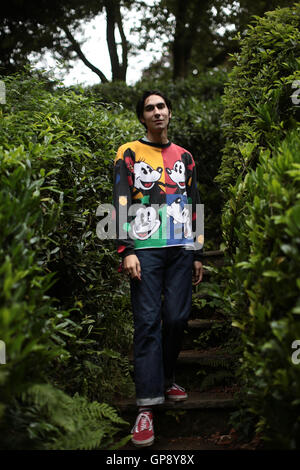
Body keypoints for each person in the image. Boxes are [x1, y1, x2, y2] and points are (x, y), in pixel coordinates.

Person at [113, 90, 203, 447]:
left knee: (178, 317)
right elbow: (120, 198)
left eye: (161, 106)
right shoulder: (129, 153)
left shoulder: (185, 156)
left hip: (181, 249)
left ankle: (166, 378)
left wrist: (197, 252)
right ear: (142, 118)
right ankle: (146, 408)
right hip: (145, 250)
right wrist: (126, 249)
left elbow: (195, 201)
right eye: (149, 108)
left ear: (169, 112)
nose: (157, 112)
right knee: (148, 322)